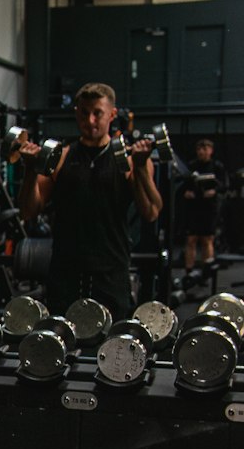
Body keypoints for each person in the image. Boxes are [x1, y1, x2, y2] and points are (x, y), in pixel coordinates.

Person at [16, 81, 162, 319]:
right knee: (61, 347)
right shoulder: (61, 157)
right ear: (76, 113)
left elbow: (152, 211)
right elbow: (28, 211)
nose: (90, 120)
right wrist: (31, 170)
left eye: (98, 114)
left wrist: (142, 167)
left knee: (113, 348)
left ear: (112, 114)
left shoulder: (130, 161)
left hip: (111, 273)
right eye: (84, 113)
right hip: (65, 273)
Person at [180, 137, 225, 271]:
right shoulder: (191, 166)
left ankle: (207, 270)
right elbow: (182, 185)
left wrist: (214, 191)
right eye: (199, 149)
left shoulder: (217, 166)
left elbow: (224, 185)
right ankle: (189, 270)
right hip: (194, 207)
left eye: (204, 149)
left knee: (207, 239)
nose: (201, 152)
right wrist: (186, 192)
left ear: (210, 151)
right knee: (191, 239)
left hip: (209, 208)